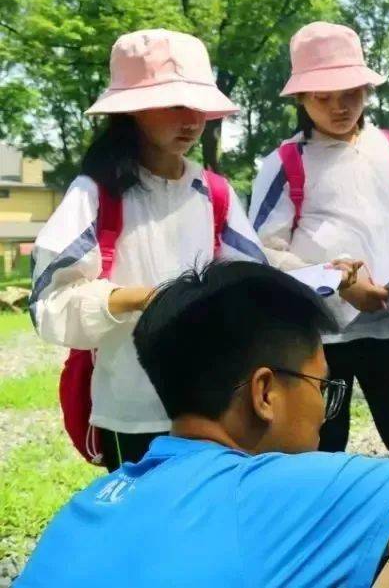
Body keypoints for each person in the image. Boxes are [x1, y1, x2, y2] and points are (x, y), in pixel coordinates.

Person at [16, 261, 389, 587]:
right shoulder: (280, 491)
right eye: (321, 384)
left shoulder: (97, 500)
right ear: (264, 393)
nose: (325, 406)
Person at [29, 29, 267, 471]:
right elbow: (49, 305)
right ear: (132, 110)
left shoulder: (212, 192)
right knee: (144, 529)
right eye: (173, 104)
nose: (191, 120)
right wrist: (141, 298)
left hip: (211, 403)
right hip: (132, 409)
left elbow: (253, 283)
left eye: (197, 105)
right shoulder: (96, 194)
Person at [249, 22, 389, 464]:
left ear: (366, 88)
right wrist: (337, 282)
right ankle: (328, 533)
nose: (338, 106)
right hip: (320, 335)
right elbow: (262, 253)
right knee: (322, 450)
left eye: (349, 92)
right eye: (321, 97)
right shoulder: (285, 162)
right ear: (300, 99)